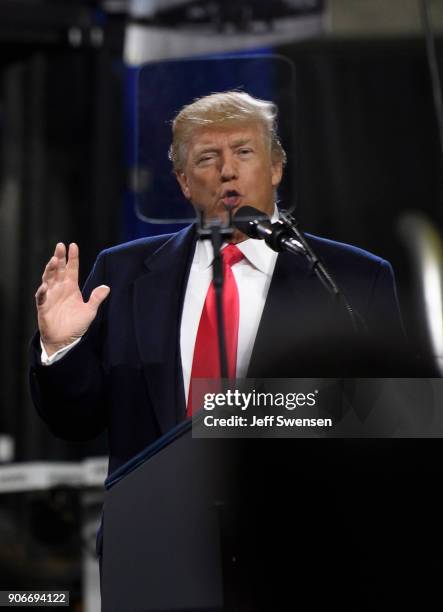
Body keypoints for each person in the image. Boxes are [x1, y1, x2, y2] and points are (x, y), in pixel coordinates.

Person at [29, 90, 405, 476]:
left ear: (276, 167)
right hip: (154, 525)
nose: (228, 170)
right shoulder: (122, 274)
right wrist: (62, 349)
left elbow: (392, 419)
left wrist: (255, 418)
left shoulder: (351, 278)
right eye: (208, 158)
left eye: (244, 152)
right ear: (184, 182)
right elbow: (74, 423)